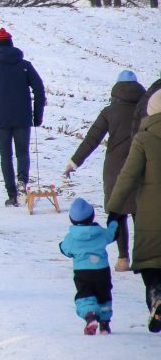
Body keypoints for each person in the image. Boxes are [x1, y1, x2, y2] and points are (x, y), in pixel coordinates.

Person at [67, 71, 145, 271]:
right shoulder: (146, 110)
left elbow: (92, 139)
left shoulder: (110, 112)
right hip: (143, 166)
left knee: (118, 212)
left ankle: (122, 258)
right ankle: (142, 257)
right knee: (141, 214)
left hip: (115, 169)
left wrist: (74, 162)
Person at [105, 90, 161, 332]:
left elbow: (127, 176)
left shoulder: (144, 138)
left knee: (151, 262)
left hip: (151, 213)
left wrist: (115, 209)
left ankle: (156, 295)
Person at [0, 27, 46, 207]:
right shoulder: (25, 66)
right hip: (23, 117)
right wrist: (37, 115)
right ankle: (22, 181)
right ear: (12, 45)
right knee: (23, 153)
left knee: (6, 156)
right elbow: (39, 89)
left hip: (0, 119)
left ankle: (12, 195)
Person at [60, 198, 119, 335]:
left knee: (84, 295)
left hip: (83, 273)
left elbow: (65, 250)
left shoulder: (71, 237)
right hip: (102, 272)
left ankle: (90, 315)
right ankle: (105, 324)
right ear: (92, 216)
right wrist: (114, 220)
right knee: (104, 295)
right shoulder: (100, 233)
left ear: (71, 219)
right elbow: (113, 234)